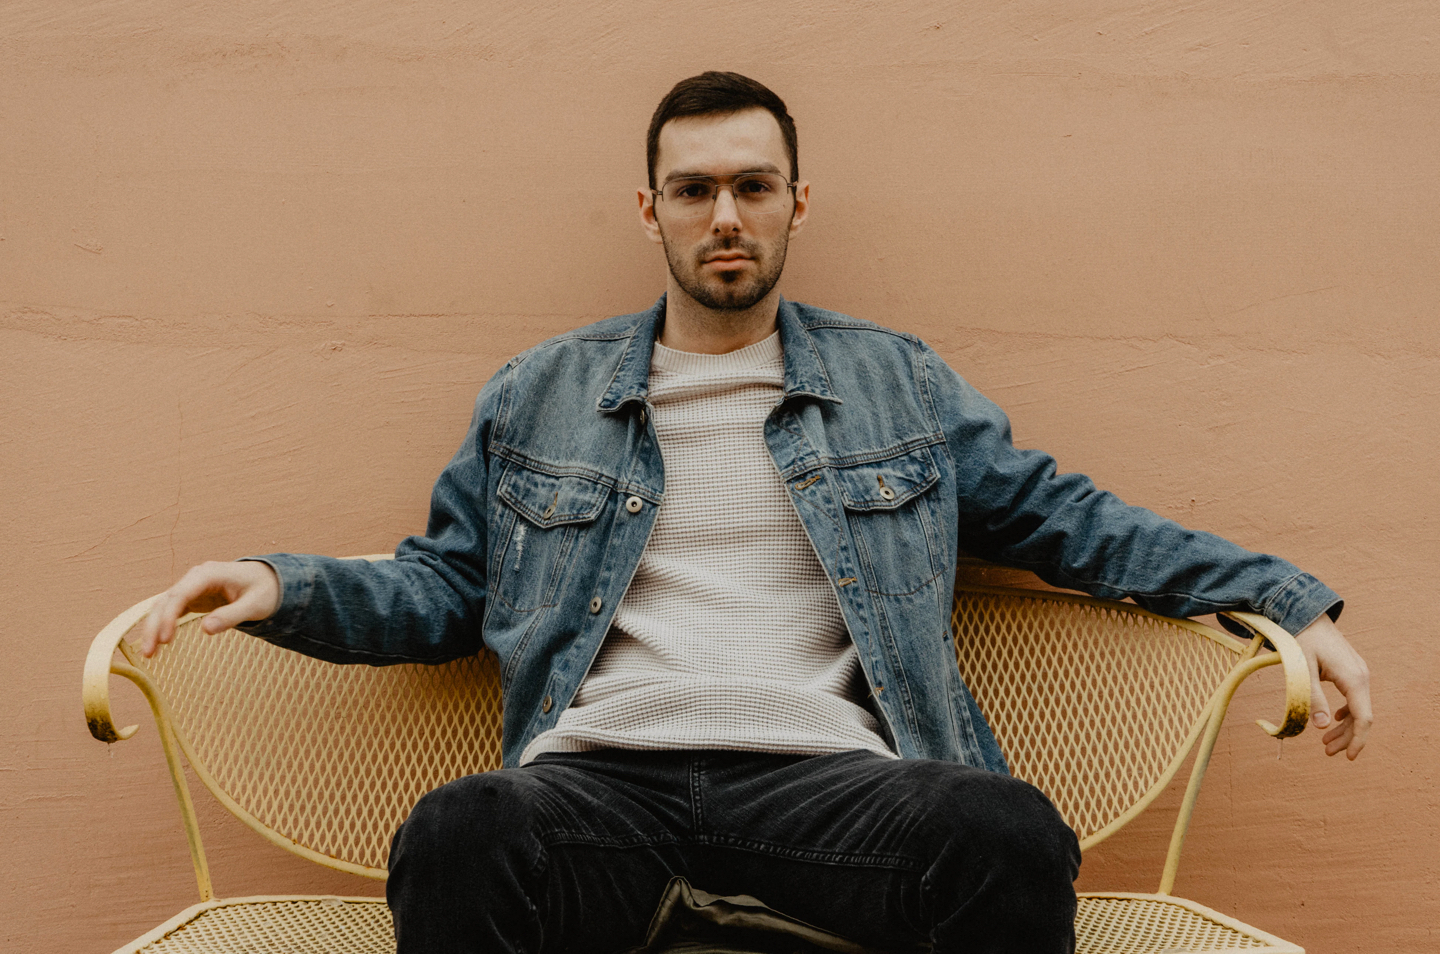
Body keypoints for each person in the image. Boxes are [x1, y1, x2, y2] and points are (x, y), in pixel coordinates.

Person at [135, 71, 1372, 953]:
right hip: (601, 787)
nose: (724, 215)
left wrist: (1285, 603)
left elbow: (1073, 523)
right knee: (463, 829)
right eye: (694, 190)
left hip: (827, 793)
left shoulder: (897, 385)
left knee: (1003, 829)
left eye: (751, 186)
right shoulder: (541, 393)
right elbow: (448, 585)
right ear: (651, 210)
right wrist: (282, 585)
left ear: (796, 201)